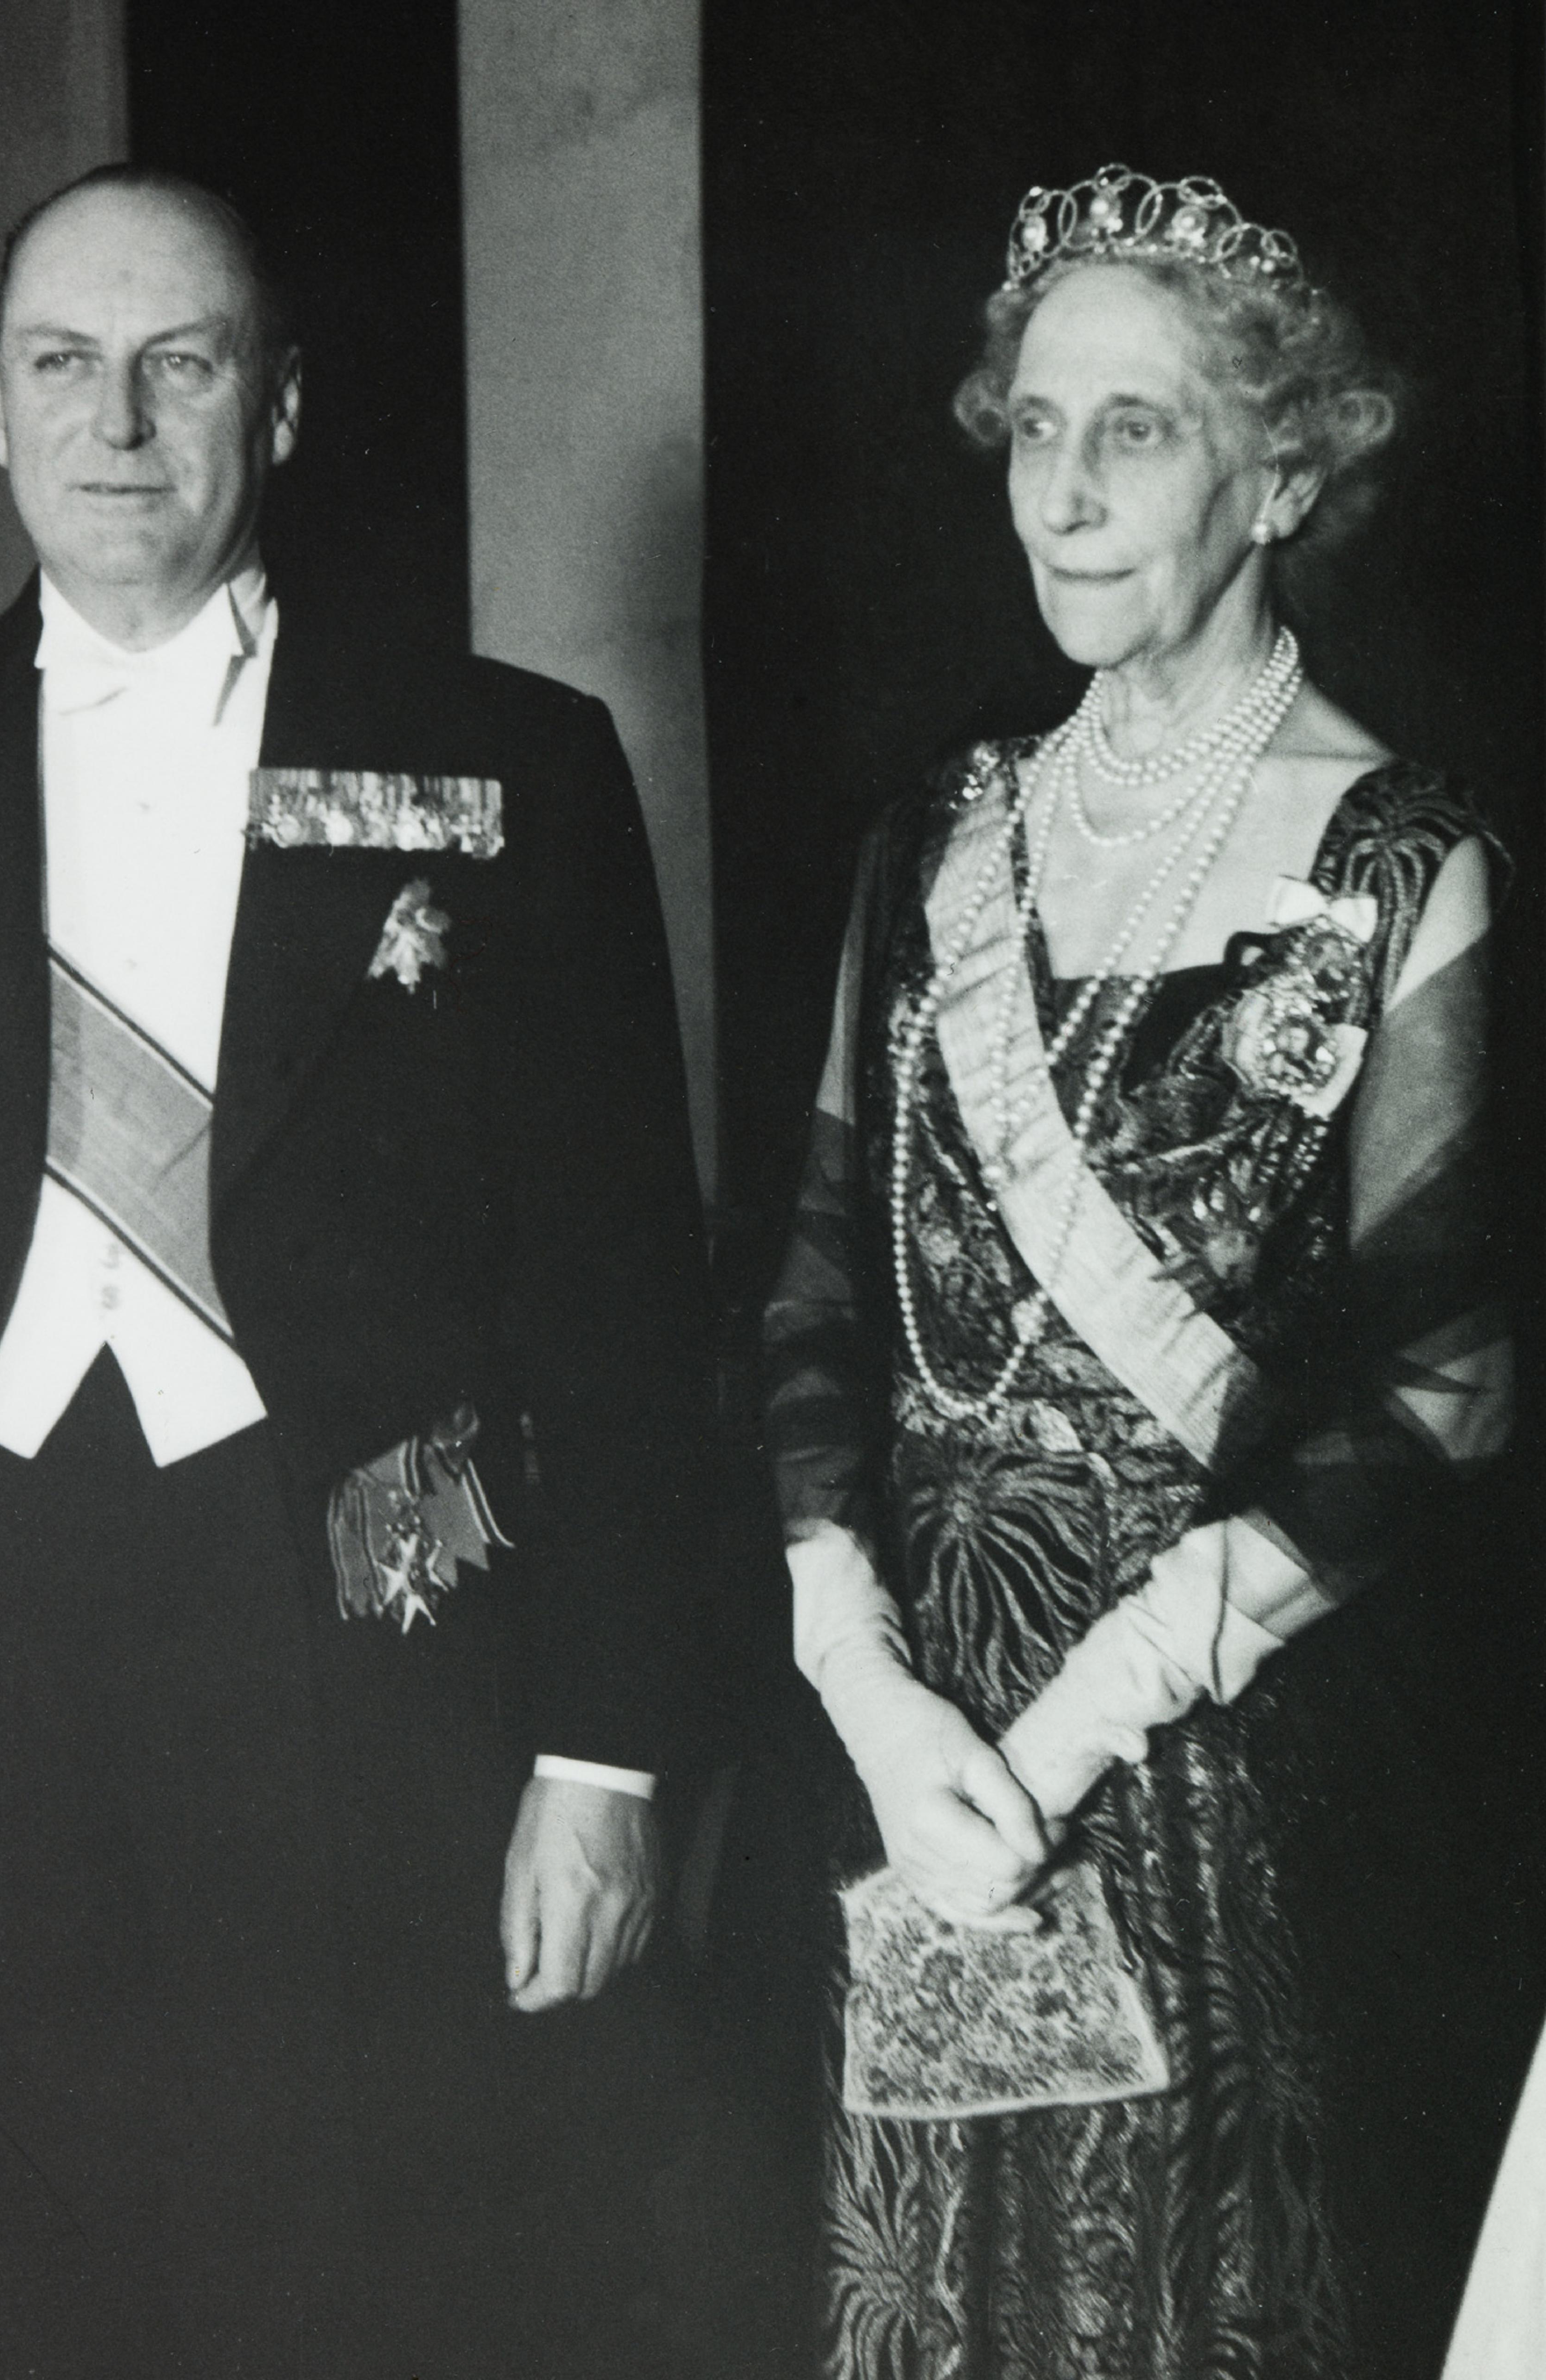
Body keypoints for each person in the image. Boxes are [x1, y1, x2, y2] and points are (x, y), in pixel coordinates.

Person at [0, 165, 711, 2378]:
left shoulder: (514, 758)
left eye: (177, 364)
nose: (116, 424)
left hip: (366, 1641)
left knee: (356, 2298)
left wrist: (607, 1750)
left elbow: (622, 1292)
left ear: (275, 404)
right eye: (63, 364)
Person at [764, 165, 1510, 2379]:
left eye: (1139, 431)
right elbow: (816, 1296)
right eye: (1034, 428)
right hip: (915, 1767)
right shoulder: (935, 837)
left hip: (1212, 1779)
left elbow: (1449, 1388)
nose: (1064, 495)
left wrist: (1093, 1708)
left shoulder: (1407, 864)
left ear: (1283, 470)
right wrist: (862, 1678)